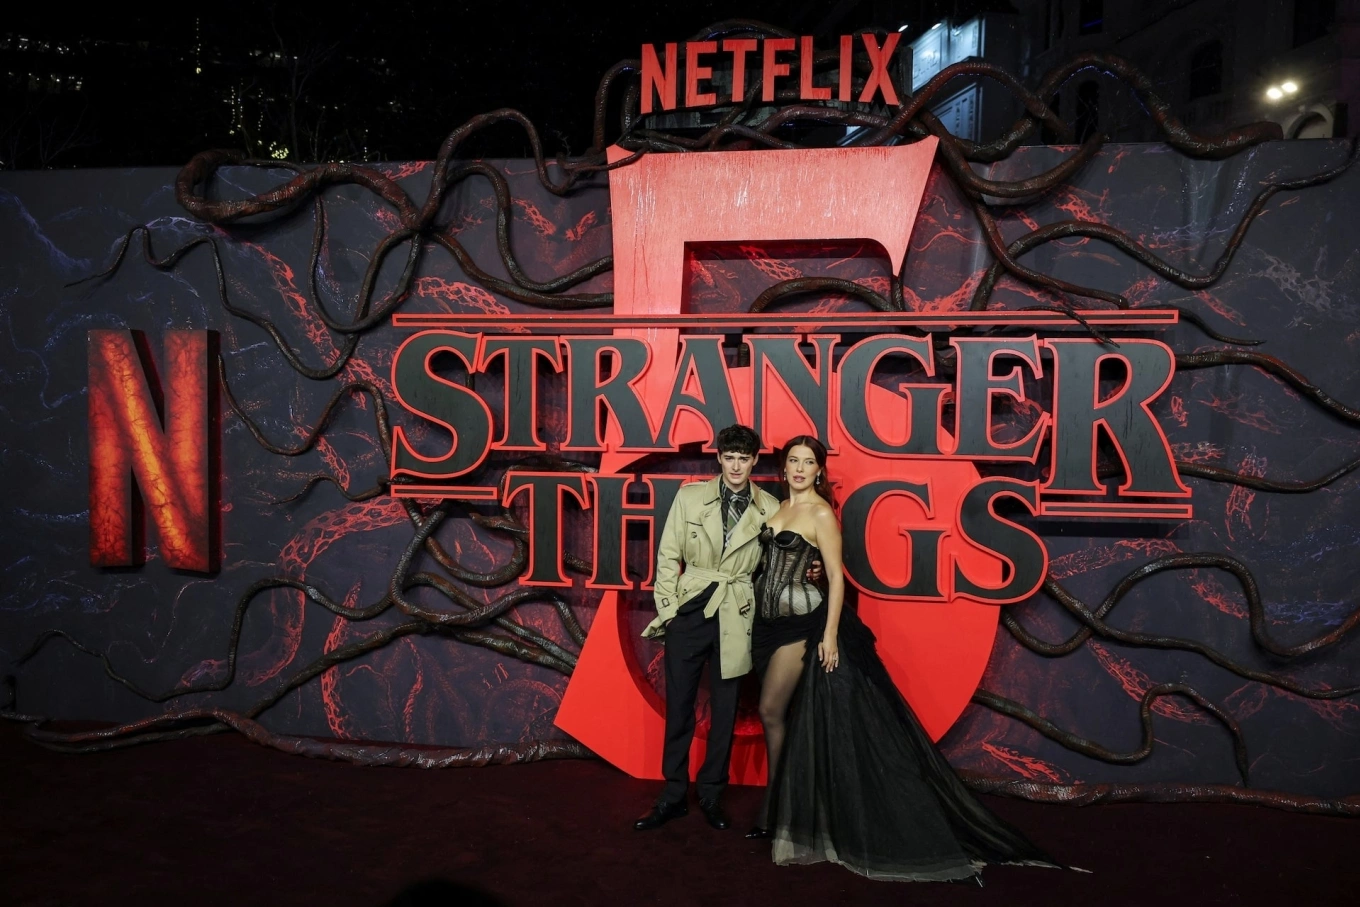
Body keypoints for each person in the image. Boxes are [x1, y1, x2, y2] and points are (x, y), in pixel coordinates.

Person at [746, 435, 1055, 882]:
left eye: (807, 462)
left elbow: (836, 578)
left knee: (771, 711)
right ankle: (783, 807)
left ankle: (778, 810)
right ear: (784, 466)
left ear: (818, 470)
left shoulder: (819, 513)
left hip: (804, 624)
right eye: (793, 460)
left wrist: (828, 636)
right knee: (780, 715)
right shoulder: (778, 507)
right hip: (767, 627)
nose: (798, 468)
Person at [633, 424, 780, 832]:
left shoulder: (770, 508)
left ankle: (712, 794)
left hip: (737, 610)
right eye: (729, 457)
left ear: (754, 461)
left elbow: (774, 567)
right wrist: (669, 612)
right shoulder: (690, 496)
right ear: (719, 457)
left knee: (726, 708)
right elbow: (668, 555)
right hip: (691, 605)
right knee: (679, 705)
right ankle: (673, 794)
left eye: (743, 459)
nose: (735, 466)